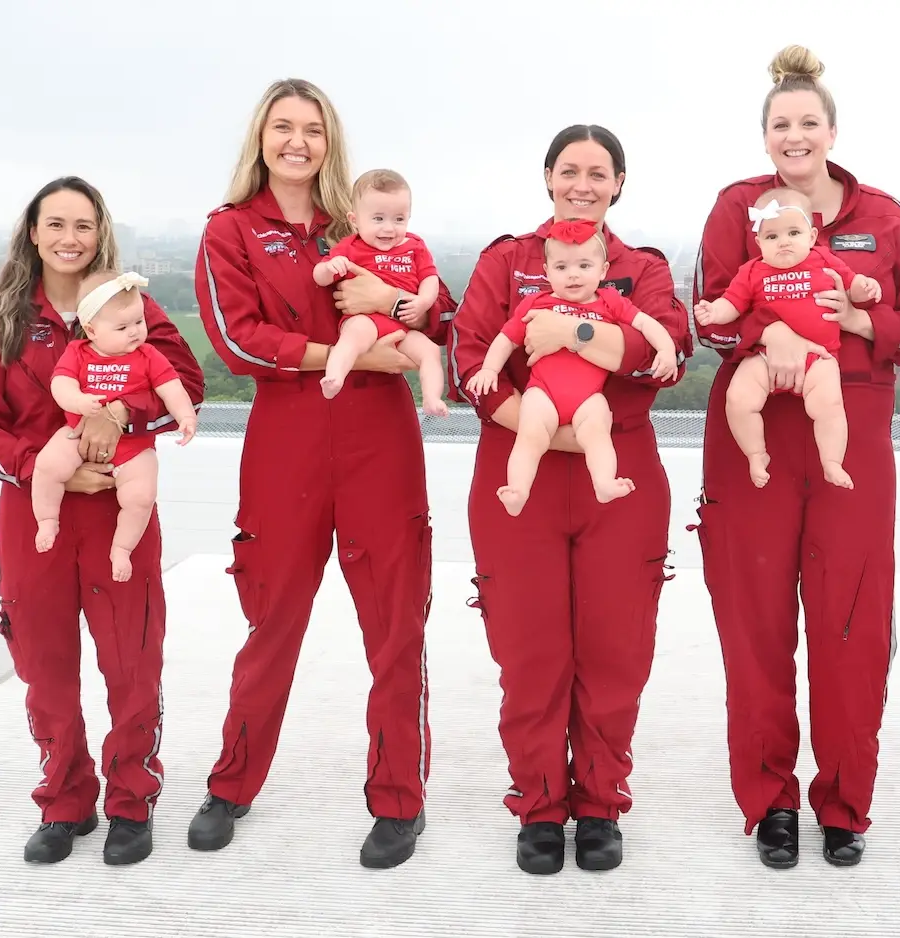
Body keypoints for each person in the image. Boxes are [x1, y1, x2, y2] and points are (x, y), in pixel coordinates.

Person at [188, 77, 457, 870]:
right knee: (272, 619)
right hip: (288, 439)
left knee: (396, 623)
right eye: (283, 127)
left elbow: (437, 316)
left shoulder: (366, 220)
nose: (297, 141)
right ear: (261, 139)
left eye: (312, 128)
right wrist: (341, 355)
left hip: (380, 438)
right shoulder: (230, 229)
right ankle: (231, 786)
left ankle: (398, 802)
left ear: (330, 141)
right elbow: (237, 343)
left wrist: (394, 305)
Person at [691, 44, 900, 870]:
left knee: (852, 623)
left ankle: (845, 803)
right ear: (764, 135)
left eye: (808, 124)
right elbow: (710, 317)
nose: (794, 137)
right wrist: (759, 327)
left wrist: (865, 323)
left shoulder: (884, 216)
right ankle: (770, 802)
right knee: (756, 626)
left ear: (832, 130)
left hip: (849, 439)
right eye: (779, 126)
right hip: (756, 441)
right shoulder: (738, 209)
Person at [448, 123, 692, 875]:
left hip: (617, 484)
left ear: (619, 183)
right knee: (529, 650)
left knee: (616, 650)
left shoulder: (642, 268)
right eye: (568, 170)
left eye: (598, 172)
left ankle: (600, 804)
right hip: (522, 474)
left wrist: (568, 331)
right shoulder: (506, 261)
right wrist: (553, 430)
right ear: (547, 177)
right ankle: (540, 804)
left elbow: (665, 358)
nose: (582, 183)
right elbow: (469, 364)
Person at [0, 175, 205, 867]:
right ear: (32, 233)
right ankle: (65, 801)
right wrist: (47, 465)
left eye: (84, 226)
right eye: (56, 224)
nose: (70, 239)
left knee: (131, 656)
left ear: (102, 235)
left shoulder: (133, 307)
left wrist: (119, 413)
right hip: (33, 513)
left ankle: (131, 799)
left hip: (117, 514)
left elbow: (188, 381)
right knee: (45, 663)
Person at [465, 217, 679, 516]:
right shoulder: (536, 304)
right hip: (543, 391)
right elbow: (505, 339)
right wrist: (489, 369)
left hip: (589, 396)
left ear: (603, 270)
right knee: (530, 436)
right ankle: (517, 489)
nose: (573, 276)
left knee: (597, 434)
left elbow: (646, 324)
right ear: (547, 272)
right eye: (562, 267)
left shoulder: (610, 301)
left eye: (584, 266)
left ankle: (604, 483)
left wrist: (666, 349)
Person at [693, 185, 882, 488]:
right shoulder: (752, 271)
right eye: (772, 236)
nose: (783, 242)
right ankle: (756, 454)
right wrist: (714, 312)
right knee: (738, 399)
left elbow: (853, 285)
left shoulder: (825, 260)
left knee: (830, 407)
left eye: (793, 233)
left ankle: (832, 460)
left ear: (811, 236)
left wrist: (863, 289)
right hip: (764, 356)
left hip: (820, 357)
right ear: (758, 243)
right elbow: (732, 303)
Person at [31, 270, 200, 581]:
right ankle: (46, 519)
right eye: (122, 327)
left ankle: (122, 549)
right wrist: (79, 402)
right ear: (92, 331)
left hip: (134, 445)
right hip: (77, 432)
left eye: (138, 322)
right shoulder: (77, 352)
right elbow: (61, 384)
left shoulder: (149, 355)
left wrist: (185, 416)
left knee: (140, 496)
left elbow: (172, 387)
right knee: (47, 466)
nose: (135, 332)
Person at [312, 168, 449, 415]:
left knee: (429, 351)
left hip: (403, 325)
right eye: (378, 219)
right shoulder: (350, 247)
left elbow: (430, 278)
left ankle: (431, 398)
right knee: (353, 337)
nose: (389, 228)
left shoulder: (415, 246)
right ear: (354, 220)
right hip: (366, 319)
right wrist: (329, 268)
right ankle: (334, 377)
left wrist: (423, 302)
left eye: (399, 219)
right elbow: (319, 278)